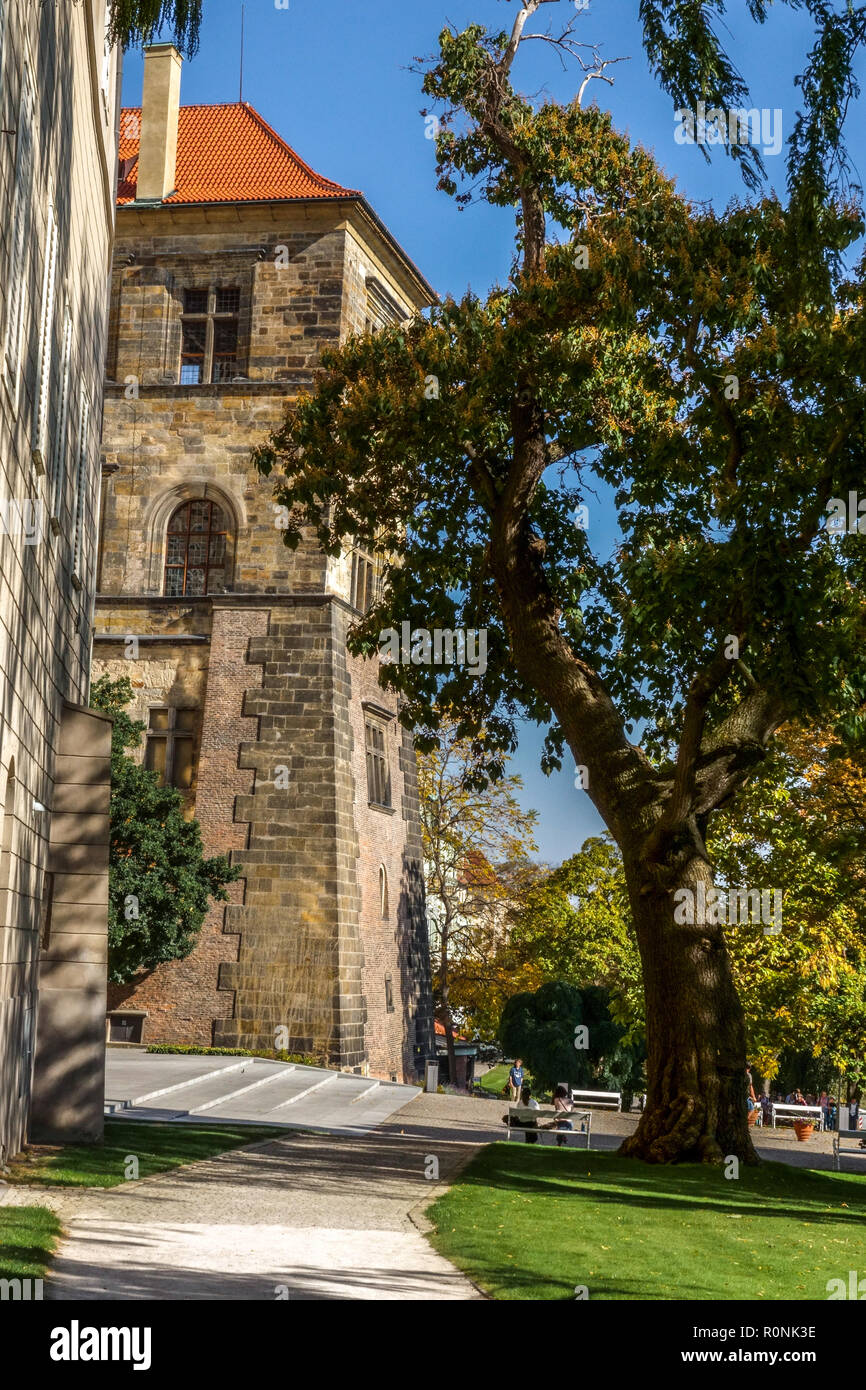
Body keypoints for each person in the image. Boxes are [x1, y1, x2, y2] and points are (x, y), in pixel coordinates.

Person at [549, 1083, 574, 1147]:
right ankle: (562, 1139)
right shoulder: (570, 1101)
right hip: (570, 1124)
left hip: (561, 1123)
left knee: (559, 1124)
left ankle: (559, 1143)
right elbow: (571, 1111)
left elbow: (556, 1111)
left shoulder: (556, 1100)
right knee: (560, 1128)